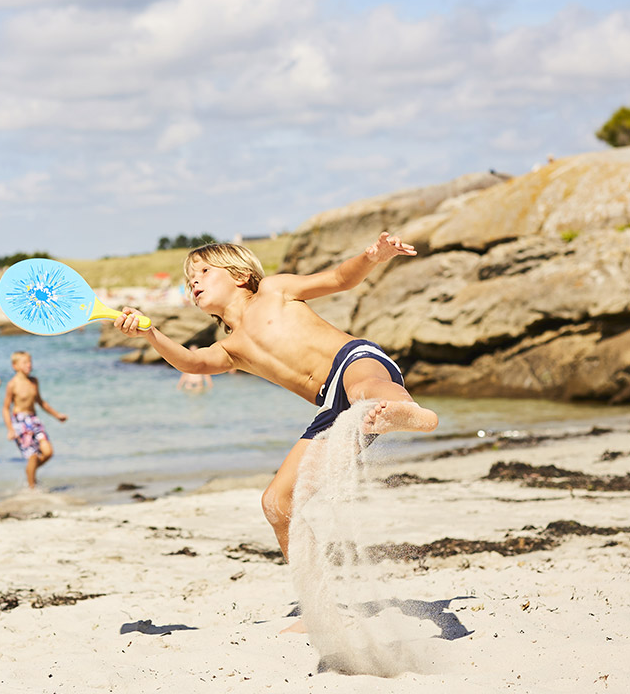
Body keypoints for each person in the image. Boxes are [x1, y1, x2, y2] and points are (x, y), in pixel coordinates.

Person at [114, 232, 438, 559]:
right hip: (331, 408)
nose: (193, 282)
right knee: (276, 503)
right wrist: (150, 334)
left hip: (352, 360)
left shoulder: (274, 290)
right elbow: (193, 362)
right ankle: (317, 596)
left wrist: (372, 256)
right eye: (189, 279)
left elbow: (340, 278)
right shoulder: (229, 348)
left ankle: (409, 412)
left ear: (241, 276)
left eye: (204, 272)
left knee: (361, 390)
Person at [2, 350, 67, 489]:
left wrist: (57, 415)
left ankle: (30, 472)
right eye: (25, 362)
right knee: (32, 455)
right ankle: (32, 488)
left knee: (48, 452)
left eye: (30, 362)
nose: (29, 365)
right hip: (20, 421)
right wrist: (10, 429)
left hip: (34, 419)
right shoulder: (12, 384)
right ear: (15, 366)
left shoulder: (34, 381)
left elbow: (41, 402)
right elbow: (5, 408)